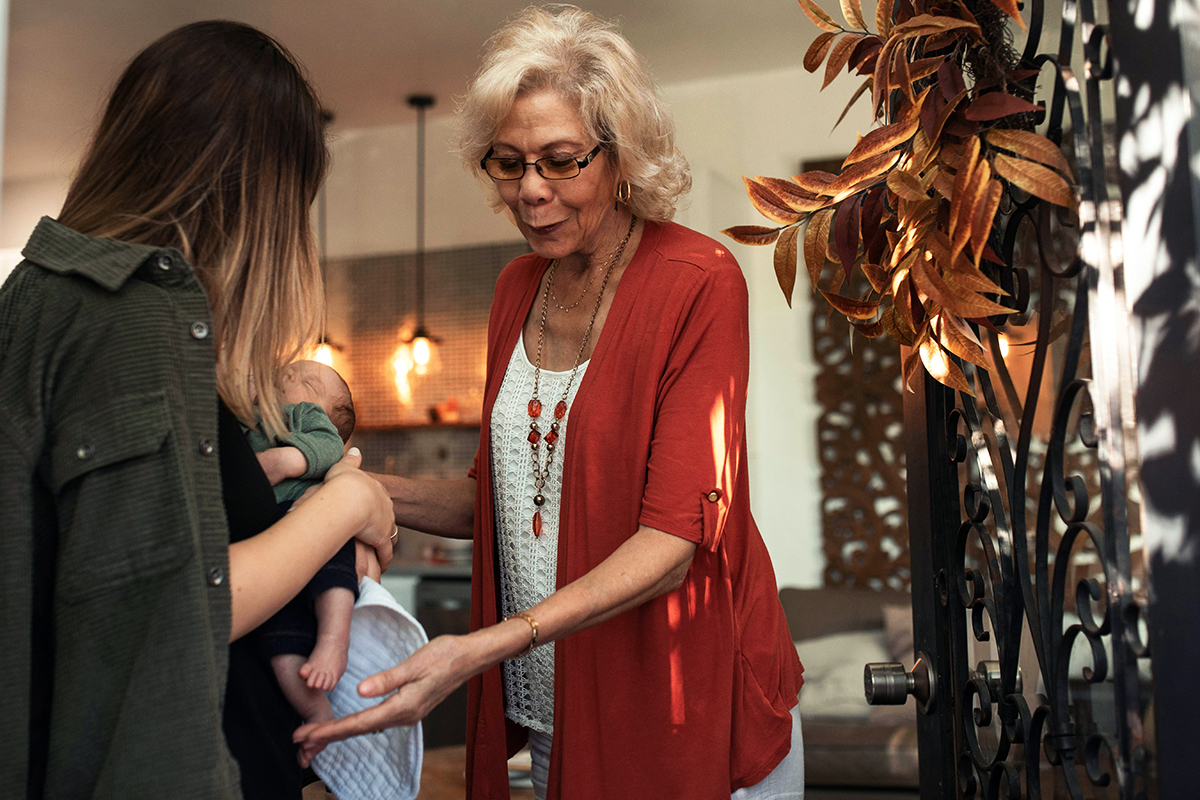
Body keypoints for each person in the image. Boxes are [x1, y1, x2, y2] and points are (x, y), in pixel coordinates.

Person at [295, 6, 805, 799]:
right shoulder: (515, 290)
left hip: (677, 695)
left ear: (620, 154)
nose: (531, 191)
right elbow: (500, 500)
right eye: (509, 163)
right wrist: (356, 494)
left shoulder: (697, 280)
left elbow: (672, 543)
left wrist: (485, 646)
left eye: (561, 162)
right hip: (548, 698)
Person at [0, 21, 396, 799]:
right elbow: (181, 607)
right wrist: (350, 500)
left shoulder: (37, 300)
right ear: (255, 195)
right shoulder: (132, 316)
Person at [245, 359, 360, 725]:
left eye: (307, 382)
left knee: (335, 572)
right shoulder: (251, 417)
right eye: (287, 373)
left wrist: (287, 460)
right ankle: (316, 715)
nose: (289, 376)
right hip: (267, 535)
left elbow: (330, 449)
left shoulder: (303, 416)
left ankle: (334, 639)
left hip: (309, 519)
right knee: (279, 639)